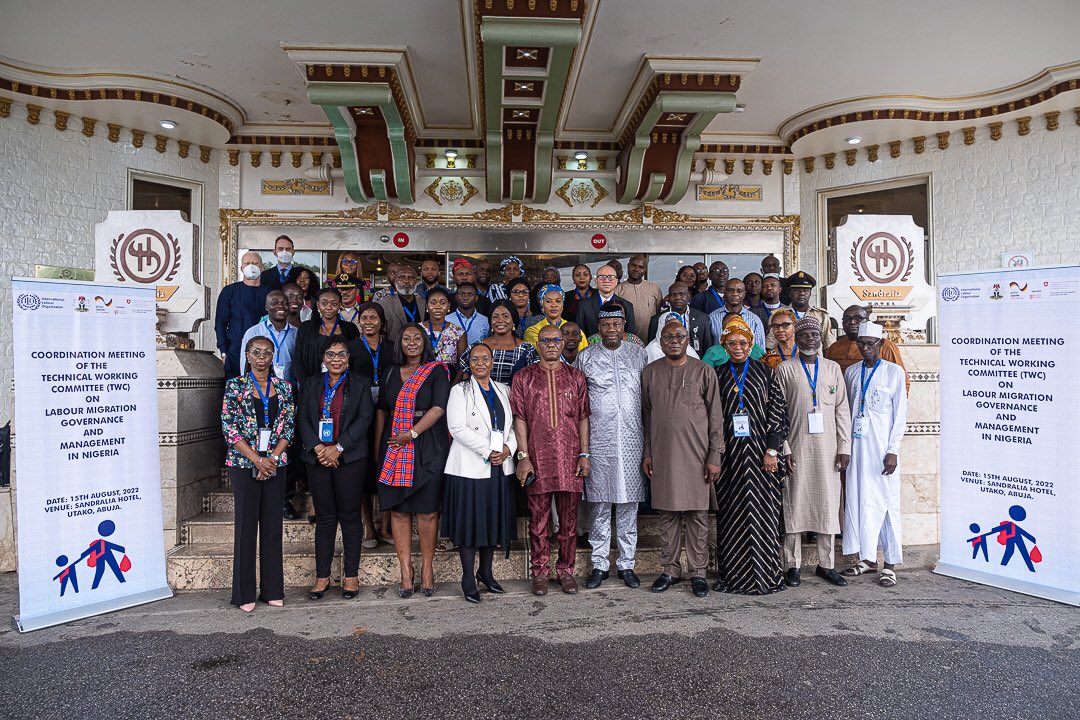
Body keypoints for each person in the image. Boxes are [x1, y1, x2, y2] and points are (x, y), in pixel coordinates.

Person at [641, 317, 725, 598]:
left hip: (698, 455)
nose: (674, 340)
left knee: (698, 516)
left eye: (680, 336)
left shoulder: (704, 371)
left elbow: (716, 417)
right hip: (663, 455)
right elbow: (647, 415)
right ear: (660, 342)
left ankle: (698, 573)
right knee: (667, 515)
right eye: (668, 337)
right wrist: (648, 453)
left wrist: (715, 455)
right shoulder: (650, 372)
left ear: (688, 340)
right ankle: (670, 569)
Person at [510, 323, 591, 597]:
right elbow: (519, 418)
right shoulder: (524, 378)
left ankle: (566, 570)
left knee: (568, 523)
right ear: (538, 344)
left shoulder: (576, 377)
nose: (552, 344)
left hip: (570, 458)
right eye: (546, 340)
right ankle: (540, 572)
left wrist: (584, 454)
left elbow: (582, 417)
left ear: (564, 342)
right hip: (538, 457)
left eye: (556, 339)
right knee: (539, 521)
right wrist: (523, 457)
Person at [713, 315, 789, 595]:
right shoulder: (717, 374)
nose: (737, 347)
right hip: (730, 459)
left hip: (761, 458)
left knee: (762, 516)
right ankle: (734, 577)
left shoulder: (765, 372)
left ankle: (765, 576)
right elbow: (711, 418)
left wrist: (772, 450)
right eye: (731, 342)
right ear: (724, 344)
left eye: (742, 342)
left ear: (751, 344)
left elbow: (778, 413)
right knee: (732, 518)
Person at [574, 304, 648, 590]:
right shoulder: (586, 356)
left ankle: (627, 564)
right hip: (598, 441)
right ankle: (599, 563)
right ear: (599, 327)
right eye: (607, 325)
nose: (612, 330)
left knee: (629, 505)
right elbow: (579, 404)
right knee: (600, 505)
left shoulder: (638, 354)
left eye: (617, 324)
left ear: (624, 325)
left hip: (632, 439)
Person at [774, 316, 851, 588]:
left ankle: (826, 565)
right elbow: (777, 414)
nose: (810, 340)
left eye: (814, 336)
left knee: (828, 505)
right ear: (797, 338)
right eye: (804, 335)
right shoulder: (784, 369)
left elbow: (842, 410)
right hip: (796, 449)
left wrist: (844, 448)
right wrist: (783, 449)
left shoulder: (832, 369)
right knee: (794, 504)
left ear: (820, 339)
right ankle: (791, 566)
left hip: (829, 450)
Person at [375, 324, 451, 598]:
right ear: (400, 343)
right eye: (406, 338)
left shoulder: (437, 371)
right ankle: (406, 573)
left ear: (425, 342)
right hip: (394, 446)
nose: (411, 342)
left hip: (427, 445)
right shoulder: (390, 373)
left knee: (428, 511)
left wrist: (413, 432)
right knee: (398, 511)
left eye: (417, 338)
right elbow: (383, 411)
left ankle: (428, 569)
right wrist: (379, 451)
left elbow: (439, 408)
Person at [297, 337, 375, 601]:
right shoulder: (311, 384)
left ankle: (351, 576)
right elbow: (304, 418)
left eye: (342, 354)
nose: (336, 359)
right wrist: (318, 448)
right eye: (331, 354)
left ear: (349, 358)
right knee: (326, 518)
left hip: (350, 458)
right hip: (317, 458)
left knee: (351, 516)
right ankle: (323, 576)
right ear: (323, 358)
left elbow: (365, 418)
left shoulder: (361, 384)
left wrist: (338, 447)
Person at [220, 336, 295, 612]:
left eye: (267, 352)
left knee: (273, 528)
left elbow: (288, 427)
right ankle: (244, 593)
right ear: (247, 355)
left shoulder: (284, 388)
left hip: (276, 463)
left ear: (273, 357)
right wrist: (256, 460)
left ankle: (273, 589)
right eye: (256, 352)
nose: (262, 357)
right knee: (246, 526)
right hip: (242, 464)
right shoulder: (235, 387)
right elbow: (230, 428)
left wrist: (271, 459)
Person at [442, 343, 518, 603]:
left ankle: (486, 572)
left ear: (493, 361)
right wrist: (488, 450)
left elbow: (513, 425)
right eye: (475, 359)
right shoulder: (459, 391)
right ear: (469, 363)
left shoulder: (504, 390)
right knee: (470, 524)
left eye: (485, 358)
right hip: (469, 469)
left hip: (500, 466)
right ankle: (467, 578)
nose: (481, 362)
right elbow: (457, 428)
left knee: (492, 522)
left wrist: (508, 448)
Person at [841, 321, 908, 588]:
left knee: (887, 503)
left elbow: (900, 415)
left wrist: (893, 450)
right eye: (862, 343)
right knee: (859, 501)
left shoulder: (894, 373)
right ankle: (867, 559)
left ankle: (889, 564)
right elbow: (846, 411)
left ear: (881, 345)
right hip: (857, 449)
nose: (866, 348)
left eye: (871, 344)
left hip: (882, 451)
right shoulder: (852, 372)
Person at [347, 302, 397, 548]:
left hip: (389, 414)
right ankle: (369, 526)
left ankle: (387, 525)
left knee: (387, 465)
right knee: (362, 470)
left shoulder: (392, 347)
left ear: (381, 321)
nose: (369, 321)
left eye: (373, 317)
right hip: (359, 415)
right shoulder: (351, 348)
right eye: (364, 317)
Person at [826, 305, 909, 394]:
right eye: (847, 319)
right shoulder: (834, 347)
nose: (852, 322)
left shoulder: (886, 346)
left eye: (858, 319)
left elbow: (902, 382)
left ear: (867, 321)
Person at [215, 251, 272, 378]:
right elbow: (220, 323)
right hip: (235, 352)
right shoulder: (229, 291)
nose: (251, 266)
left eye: (255, 263)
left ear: (262, 267)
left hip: (264, 354)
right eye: (247, 263)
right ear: (241, 268)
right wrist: (224, 351)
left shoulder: (270, 294)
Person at [459, 300, 538, 385]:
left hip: (515, 397)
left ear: (513, 320)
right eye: (495, 316)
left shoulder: (527, 349)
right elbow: (466, 380)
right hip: (480, 397)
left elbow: (533, 383)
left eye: (505, 316)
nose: (500, 320)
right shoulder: (476, 347)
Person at [293, 288, 361, 382]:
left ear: (339, 306)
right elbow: (298, 359)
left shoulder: (350, 329)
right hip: (310, 383)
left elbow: (354, 359)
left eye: (334, 304)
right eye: (324, 303)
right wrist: (306, 385)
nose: (329, 307)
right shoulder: (306, 327)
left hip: (343, 383)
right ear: (317, 304)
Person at [240, 291, 296, 384]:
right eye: (275, 303)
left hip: (290, 388)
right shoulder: (253, 332)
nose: (281, 306)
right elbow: (244, 363)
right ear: (267, 307)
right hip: (259, 388)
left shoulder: (297, 333)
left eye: (285, 303)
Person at [646, 282, 712, 354]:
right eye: (673, 294)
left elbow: (707, 347)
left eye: (681, 294)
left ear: (688, 296)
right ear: (668, 297)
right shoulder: (657, 319)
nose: (677, 297)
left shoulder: (702, 318)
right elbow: (653, 347)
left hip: (694, 362)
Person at [576, 265, 636, 337]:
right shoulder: (584, 305)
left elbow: (630, 336)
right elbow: (580, 334)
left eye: (611, 277)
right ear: (596, 281)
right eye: (602, 277)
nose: (606, 281)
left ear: (616, 281)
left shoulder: (627, 306)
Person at [707, 279, 766, 350]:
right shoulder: (712, 318)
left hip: (748, 360)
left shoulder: (754, 319)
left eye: (739, 291)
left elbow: (760, 350)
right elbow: (708, 349)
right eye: (730, 290)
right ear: (724, 292)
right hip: (719, 360)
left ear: (744, 294)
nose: (735, 294)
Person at [524, 284, 587, 352]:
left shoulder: (575, 331)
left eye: (558, 301)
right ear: (542, 305)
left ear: (562, 305)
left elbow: (583, 356)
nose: (554, 305)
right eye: (548, 301)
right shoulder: (532, 331)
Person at [378, 264, 427, 343]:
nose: (406, 281)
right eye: (401, 278)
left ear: (416, 282)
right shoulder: (383, 305)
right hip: (394, 352)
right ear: (395, 281)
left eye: (411, 278)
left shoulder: (424, 304)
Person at [786, 271, 834, 349]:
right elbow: (771, 343)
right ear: (789, 293)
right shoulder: (779, 315)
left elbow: (829, 344)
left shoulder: (821, 315)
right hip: (787, 359)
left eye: (805, 290)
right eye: (796, 290)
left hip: (815, 360)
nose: (801, 293)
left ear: (810, 293)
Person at [617, 255, 663, 333]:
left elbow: (659, 312)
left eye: (641, 267)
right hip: (627, 338)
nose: (636, 269)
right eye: (634, 265)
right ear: (628, 266)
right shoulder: (618, 289)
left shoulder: (654, 289)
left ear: (645, 269)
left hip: (650, 337)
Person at [424, 287, 467, 369]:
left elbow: (463, 366)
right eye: (433, 303)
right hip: (421, 377)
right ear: (427, 306)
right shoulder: (418, 329)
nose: (438, 307)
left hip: (450, 378)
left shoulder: (459, 332)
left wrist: (455, 382)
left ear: (449, 306)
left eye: (442, 303)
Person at [447, 281, 490, 346]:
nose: (465, 297)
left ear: (476, 298)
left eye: (470, 294)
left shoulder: (486, 321)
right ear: (456, 297)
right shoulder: (446, 320)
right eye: (462, 294)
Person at [760, 274, 785, 349]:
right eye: (765, 286)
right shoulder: (752, 312)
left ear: (780, 289)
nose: (769, 288)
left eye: (773, 285)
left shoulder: (788, 311)